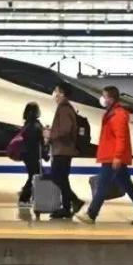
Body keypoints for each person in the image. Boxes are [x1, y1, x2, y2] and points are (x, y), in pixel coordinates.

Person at [77, 86, 133, 225]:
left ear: (111, 99)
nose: (102, 99)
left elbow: (121, 138)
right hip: (112, 156)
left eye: (104, 96)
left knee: (102, 185)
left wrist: (118, 156)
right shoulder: (111, 113)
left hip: (112, 157)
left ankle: (91, 214)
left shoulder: (118, 115)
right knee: (127, 185)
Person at [45, 82, 85, 219]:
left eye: (55, 90)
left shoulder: (64, 108)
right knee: (62, 178)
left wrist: (51, 135)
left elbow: (65, 130)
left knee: (57, 177)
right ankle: (67, 208)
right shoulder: (65, 107)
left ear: (61, 93)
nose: (54, 93)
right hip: (63, 149)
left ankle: (75, 200)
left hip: (63, 150)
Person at [17, 101, 49, 208]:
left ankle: (27, 194)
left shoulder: (28, 124)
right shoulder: (35, 125)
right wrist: (45, 154)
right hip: (32, 155)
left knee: (35, 175)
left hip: (28, 155)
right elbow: (39, 143)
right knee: (34, 176)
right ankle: (24, 198)